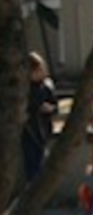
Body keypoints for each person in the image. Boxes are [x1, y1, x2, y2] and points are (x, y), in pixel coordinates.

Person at [23, 52, 58, 183]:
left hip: (43, 128)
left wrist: (50, 108)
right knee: (32, 163)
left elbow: (55, 106)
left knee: (43, 162)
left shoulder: (46, 86)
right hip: (29, 130)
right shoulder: (25, 88)